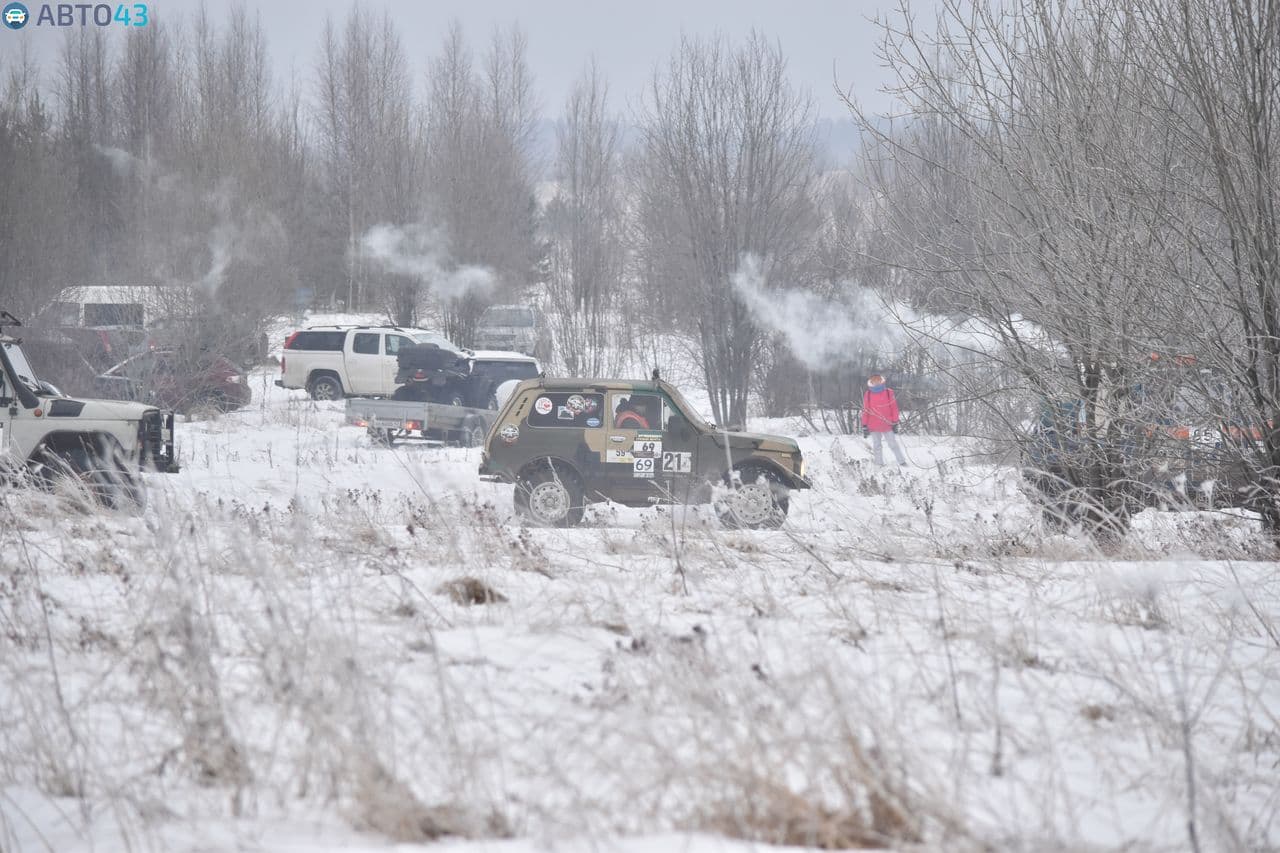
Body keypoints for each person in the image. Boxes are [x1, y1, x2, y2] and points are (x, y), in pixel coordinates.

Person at [861, 373, 907, 466]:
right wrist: (864, 425)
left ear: (881, 381)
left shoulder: (888, 392)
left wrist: (895, 422)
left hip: (887, 424)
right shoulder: (868, 394)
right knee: (877, 446)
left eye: (878, 380)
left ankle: (902, 461)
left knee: (893, 444)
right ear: (871, 382)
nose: (876, 382)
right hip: (873, 425)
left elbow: (894, 407)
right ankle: (879, 464)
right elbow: (866, 410)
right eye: (874, 381)